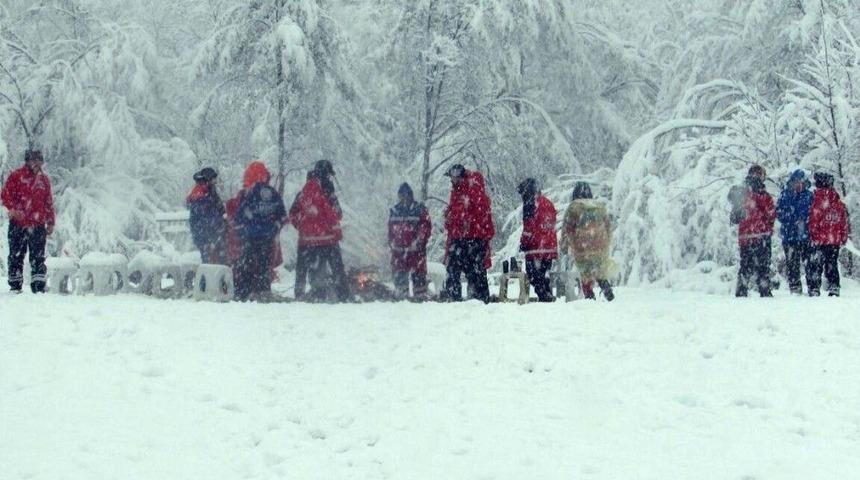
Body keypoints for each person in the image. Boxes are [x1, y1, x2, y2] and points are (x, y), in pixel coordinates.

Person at [290, 160, 350, 302]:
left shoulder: (302, 194)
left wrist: (303, 226)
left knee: (308, 270)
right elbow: (338, 214)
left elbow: (292, 214)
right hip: (328, 239)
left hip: (307, 241)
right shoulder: (329, 192)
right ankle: (343, 297)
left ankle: (306, 295)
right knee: (337, 270)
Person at [2, 150, 55, 293]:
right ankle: (15, 285)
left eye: (39, 160)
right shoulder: (16, 176)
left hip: (38, 225)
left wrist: (50, 221)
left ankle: (39, 286)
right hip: (18, 224)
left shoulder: (44, 180)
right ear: (27, 161)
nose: (37, 163)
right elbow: (5, 195)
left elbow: (48, 202)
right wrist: (13, 209)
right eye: (34, 160)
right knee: (16, 255)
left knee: (38, 256)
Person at [233, 161, 287, 301]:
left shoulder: (248, 193)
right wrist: (274, 227)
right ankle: (263, 291)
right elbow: (282, 215)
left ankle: (244, 292)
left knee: (247, 264)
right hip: (267, 237)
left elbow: (239, 216)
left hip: (250, 236)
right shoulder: (273, 193)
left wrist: (245, 226)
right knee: (264, 265)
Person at [442, 163, 494, 303]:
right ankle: (474, 299)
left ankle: (467, 299)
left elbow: (471, 214)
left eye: (452, 178)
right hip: (467, 238)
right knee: (469, 272)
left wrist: (453, 217)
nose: (451, 181)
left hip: (470, 238)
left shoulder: (470, 191)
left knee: (468, 272)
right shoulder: (459, 191)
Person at [560, 182, 614, 301]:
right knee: (599, 270)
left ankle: (589, 297)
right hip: (600, 244)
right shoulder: (599, 206)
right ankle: (605, 286)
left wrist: (564, 245)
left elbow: (567, 228)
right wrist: (607, 241)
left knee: (585, 273)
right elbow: (608, 225)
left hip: (582, 246)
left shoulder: (574, 207)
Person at [734, 165, 776, 297]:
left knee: (746, 265)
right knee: (763, 266)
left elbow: (735, 216)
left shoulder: (742, 192)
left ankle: (742, 290)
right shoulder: (763, 194)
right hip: (761, 235)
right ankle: (764, 290)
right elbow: (771, 213)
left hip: (746, 235)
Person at [807, 172, 850, 297]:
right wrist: (843, 236)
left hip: (820, 239)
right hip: (834, 239)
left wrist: (813, 235)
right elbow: (843, 222)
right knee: (832, 264)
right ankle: (834, 286)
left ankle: (815, 287)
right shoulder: (838, 202)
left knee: (816, 264)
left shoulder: (817, 201)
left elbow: (813, 221)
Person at [388, 182, 431, 299]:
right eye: (402, 195)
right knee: (400, 278)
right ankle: (402, 298)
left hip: (416, 251)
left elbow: (425, 228)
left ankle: (420, 298)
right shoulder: (394, 210)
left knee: (419, 277)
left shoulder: (419, 209)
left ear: (411, 195)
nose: (404, 198)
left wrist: (418, 242)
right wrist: (392, 244)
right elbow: (390, 230)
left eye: (406, 195)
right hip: (399, 252)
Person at [517, 178, 558, 302]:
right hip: (549, 245)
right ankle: (547, 295)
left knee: (534, 275)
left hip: (535, 247)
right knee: (543, 273)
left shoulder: (530, 204)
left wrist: (524, 243)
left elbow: (529, 227)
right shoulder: (548, 203)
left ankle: (544, 296)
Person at [776, 169, 813, 295]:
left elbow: (815, 214)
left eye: (800, 182)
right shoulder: (785, 195)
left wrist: (805, 219)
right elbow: (779, 214)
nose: (798, 185)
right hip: (790, 236)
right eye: (796, 182)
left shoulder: (809, 196)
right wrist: (793, 218)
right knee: (792, 264)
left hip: (806, 236)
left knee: (810, 263)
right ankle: (795, 288)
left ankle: (813, 288)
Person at [187, 167, 226, 264]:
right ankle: (207, 278)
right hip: (205, 234)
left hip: (207, 233)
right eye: (213, 179)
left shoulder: (207, 191)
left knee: (212, 260)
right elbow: (208, 215)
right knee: (210, 262)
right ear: (208, 179)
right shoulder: (200, 193)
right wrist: (219, 221)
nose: (215, 182)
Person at [288, 171, 314, 299]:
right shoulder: (323, 194)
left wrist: (299, 225)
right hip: (319, 240)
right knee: (316, 266)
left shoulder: (301, 196)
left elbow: (292, 214)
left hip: (304, 239)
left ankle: (299, 292)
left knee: (302, 267)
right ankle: (317, 290)